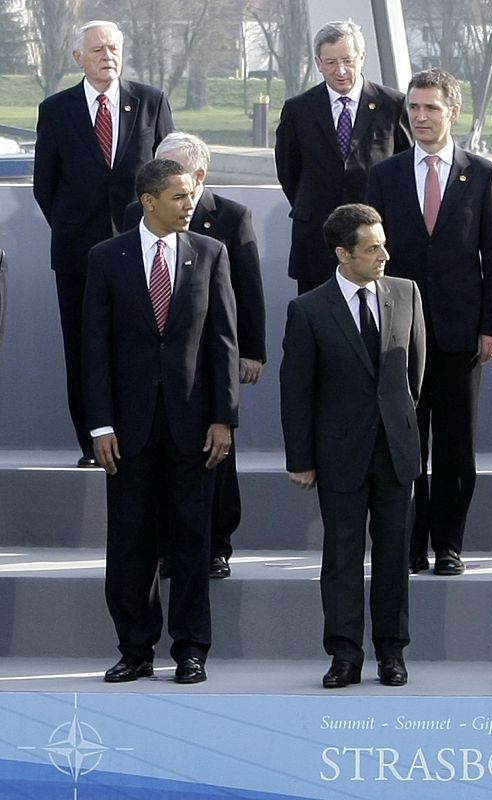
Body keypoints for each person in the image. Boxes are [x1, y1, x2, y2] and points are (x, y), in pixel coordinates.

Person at [82, 159, 239, 685]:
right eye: (178, 196)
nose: (189, 204)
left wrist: (224, 418)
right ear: (149, 201)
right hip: (127, 431)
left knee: (192, 540)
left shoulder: (211, 254)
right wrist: (100, 425)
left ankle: (191, 649)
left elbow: (223, 341)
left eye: (191, 194)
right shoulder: (107, 258)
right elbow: (94, 351)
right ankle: (135, 647)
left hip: (194, 427)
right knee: (130, 543)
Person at [366, 68, 492, 577]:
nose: (420, 117)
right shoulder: (385, 174)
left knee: (455, 445)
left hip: (459, 332)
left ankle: (448, 543)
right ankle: (409, 541)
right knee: (405, 442)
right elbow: (372, 256)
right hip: (398, 334)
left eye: (430, 107)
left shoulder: (483, 174)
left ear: (454, 111)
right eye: (413, 108)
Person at [280, 204, 425, 688]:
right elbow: (296, 390)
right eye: (372, 248)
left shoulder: (406, 294)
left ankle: (392, 653)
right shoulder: (308, 309)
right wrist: (301, 460)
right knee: (341, 559)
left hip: (395, 452)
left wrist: (402, 430)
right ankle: (345, 655)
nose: (385, 254)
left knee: (392, 556)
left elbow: (414, 375)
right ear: (343, 254)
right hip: (339, 455)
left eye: (383, 243)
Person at [123, 132, 267, 579]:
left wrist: (252, 352)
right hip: (160, 370)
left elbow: (246, 290)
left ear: (198, 174)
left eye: (171, 167)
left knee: (216, 459)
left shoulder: (230, 216)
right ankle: (171, 548)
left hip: (211, 364)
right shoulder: (138, 213)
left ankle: (217, 545)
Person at [33, 20, 174, 467]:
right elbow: (45, 185)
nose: (107, 56)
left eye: (113, 48)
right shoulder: (56, 110)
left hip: (143, 253)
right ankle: (91, 443)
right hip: (78, 257)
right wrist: (75, 228)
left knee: (140, 346)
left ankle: (140, 438)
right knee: (83, 348)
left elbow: (171, 174)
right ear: (78, 57)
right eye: (97, 50)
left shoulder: (150, 101)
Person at [275, 20, 412, 294]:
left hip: (376, 244)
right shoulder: (298, 110)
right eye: (330, 62)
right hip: (317, 241)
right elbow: (289, 173)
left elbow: (405, 168)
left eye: (348, 61)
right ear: (318, 62)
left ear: (362, 57)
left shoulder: (393, 105)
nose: (340, 71)